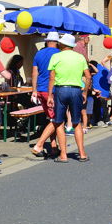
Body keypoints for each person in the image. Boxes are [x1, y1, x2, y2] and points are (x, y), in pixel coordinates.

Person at [48, 33, 91, 162]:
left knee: (59, 122)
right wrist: (85, 92)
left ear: (62, 44)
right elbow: (88, 77)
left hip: (61, 89)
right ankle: (82, 153)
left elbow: (52, 77)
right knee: (77, 122)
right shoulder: (80, 57)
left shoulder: (56, 56)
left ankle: (63, 155)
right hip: (76, 90)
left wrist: (50, 94)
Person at [30, 32, 61, 157]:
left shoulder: (39, 53)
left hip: (41, 90)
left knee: (51, 118)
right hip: (52, 91)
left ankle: (53, 147)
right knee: (57, 119)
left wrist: (34, 90)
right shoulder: (59, 54)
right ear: (57, 42)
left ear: (47, 41)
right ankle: (39, 145)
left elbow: (34, 74)